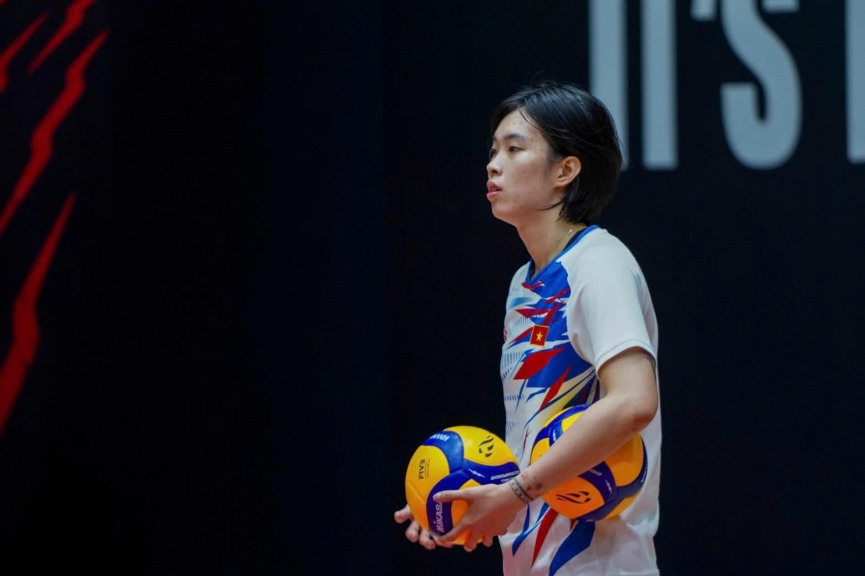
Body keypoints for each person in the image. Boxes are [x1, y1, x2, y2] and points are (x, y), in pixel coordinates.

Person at [394, 80, 661, 576]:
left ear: (565, 170)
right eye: (493, 150)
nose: (493, 164)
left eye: (514, 149)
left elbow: (634, 401)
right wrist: (460, 502)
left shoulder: (598, 264)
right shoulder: (524, 283)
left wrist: (515, 493)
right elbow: (538, 446)